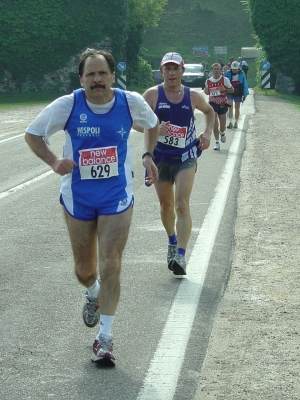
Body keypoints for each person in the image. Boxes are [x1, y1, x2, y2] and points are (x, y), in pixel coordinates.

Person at [24, 48, 159, 366]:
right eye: (90, 74)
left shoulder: (130, 102)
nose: (97, 79)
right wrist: (54, 160)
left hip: (116, 195)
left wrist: (148, 155)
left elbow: (152, 124)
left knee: (111, 263)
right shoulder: (69, 104)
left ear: (113, 76)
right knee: (85, 270)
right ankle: (92, 291)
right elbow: (33, 134)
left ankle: (105, 339)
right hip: (78, 197)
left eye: (102, 73)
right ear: (81, 78)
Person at [134, 52, 214, 276]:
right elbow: (133, 120)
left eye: (175, 68)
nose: (171, 73)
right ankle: (172, 240)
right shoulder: (152, 95)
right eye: (167, 69)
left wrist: (207, 133)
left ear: (182, 71)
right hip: (159, 158)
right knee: (167, 206)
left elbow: (209, 112)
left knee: (181, 204)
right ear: (161, 72)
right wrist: (154, 130)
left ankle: (181, 254)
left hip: (186, 156)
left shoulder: (192, 96)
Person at [203, 63, 234, 150]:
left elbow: (232, 90)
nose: (216, 71)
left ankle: (222, 133)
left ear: (221, 71)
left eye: (218, 69)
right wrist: (206, 90)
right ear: (212, 71)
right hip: (212, 103)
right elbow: (206, 92)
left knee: (222, 126)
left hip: (223, 104)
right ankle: (217, 143)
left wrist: (225, 90)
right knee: (214, 124)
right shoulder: (208, 81)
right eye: (214, 69)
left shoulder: (225, 80)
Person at [225, 60, 249, 129]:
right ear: (231, 68)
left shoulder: (241, 74)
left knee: (237, 108)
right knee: (230, 107)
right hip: (229, 91)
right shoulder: (227, 73)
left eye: (236, 69)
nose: (234, 70)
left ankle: (236, 122)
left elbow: (245, 83)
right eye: (233, 69)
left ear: (238, 68)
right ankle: (230, 122)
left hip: (238, 92)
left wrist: (245, 93)